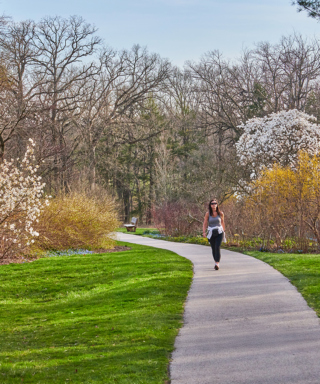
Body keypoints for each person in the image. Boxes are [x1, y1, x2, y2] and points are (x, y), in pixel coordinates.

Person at [203, 199, 225, 270]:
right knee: (213, 248)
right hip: (211, 232)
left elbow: (222, 222)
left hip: (219, 232)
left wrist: (224, 231)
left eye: (215, 203)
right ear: (210, 205)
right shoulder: (207, 214)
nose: (213, 204)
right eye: (212, 203)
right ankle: (216, 261)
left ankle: (217, 263)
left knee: (217, 247)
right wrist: (204, 232)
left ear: (217, 204)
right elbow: (205, 223)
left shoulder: (220, 213)